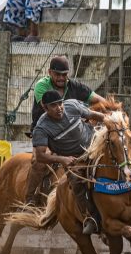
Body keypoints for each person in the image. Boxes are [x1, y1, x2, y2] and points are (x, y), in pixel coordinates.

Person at [25, 55, 106, 212]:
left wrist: (110, 113)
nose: (61, 78)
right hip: (48, 135)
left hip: (73, 132)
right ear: (49, 72)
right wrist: (74, 109)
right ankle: (28, 200)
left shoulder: (76, 87)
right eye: (57, 74)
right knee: (39, 162)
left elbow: (99, 101)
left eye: (64, 74)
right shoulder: (42, 86)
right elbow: (53, 111)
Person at [31, 90, 105, 235]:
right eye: (53, 105)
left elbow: (94, 115)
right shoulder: (41, 128)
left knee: (120, 154)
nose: (59, 108)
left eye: (60, 103)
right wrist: (62, 159)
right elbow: (40, 156)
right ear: (45, 108)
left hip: (95, 144)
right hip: (74, 159)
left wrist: (110, 122)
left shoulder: (72, 106)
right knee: (77, 182)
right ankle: (89, 218)